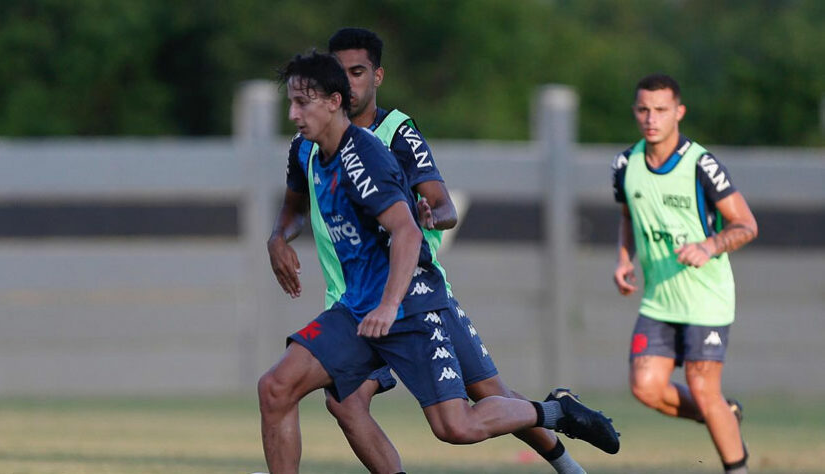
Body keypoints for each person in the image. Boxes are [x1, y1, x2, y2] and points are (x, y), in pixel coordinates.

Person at [259, 51, 620, 474]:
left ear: (334, 101)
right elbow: (295, 207)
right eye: (291, 102)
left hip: (410, 305)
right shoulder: (311, 152)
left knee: (456, 426)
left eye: (303, 102)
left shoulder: (364, 158)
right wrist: (278, 239)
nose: (293, 113)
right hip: (357, 305)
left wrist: (390, 305)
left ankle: (555, 412)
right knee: (276, 388)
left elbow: (409, 232)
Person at [611, 73, 757, 474]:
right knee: (645, 387)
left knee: (702, 387)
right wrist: (625, 259)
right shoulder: (626, 164)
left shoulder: (702, 165)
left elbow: (746, 224)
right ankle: (721, 415)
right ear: (635, 111)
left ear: (679, 112)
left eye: (660, 110)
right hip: (659, 298)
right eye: (643, 109)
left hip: (706, 298)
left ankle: (736, 467)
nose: (651, 118)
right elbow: (628, 216)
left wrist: (709, 246)